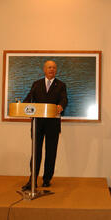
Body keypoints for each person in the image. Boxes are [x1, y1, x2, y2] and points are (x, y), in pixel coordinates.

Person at [22, 60, 68, 190]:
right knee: (36, 152)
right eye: (49, 67)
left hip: (53, 124)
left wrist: (61, 106)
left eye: (54, 67)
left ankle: (47, 179)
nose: (51, 69)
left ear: (56, 70)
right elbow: (29, 99)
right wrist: (22, 105)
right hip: (37, 124)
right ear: (44, 69)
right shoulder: (36, 84)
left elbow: (64, 99)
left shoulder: (61, 85)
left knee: (51, 152)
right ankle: (32, 180)